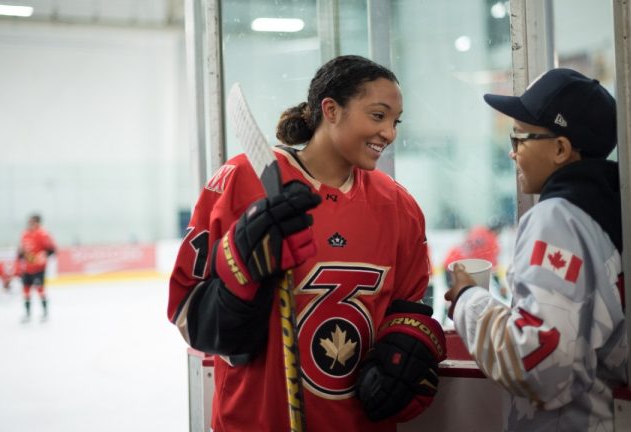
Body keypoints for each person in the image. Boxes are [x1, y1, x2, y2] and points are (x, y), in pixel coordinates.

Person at [168, 55, 446, 432]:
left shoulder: (399, 206)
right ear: (331, 109)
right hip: (256, 420)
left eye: (395, 122)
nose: (390, 134)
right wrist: (240, 272)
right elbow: (188, 312)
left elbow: (410, 304)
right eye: (378, 116)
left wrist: (405, 347)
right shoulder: (241, 180)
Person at [445, 68, 627, 431]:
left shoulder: (557, 219)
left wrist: (467, 299)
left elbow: (538, 365)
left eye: (519, 139)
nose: (512, 154)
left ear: (560, 149)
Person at [17, 213, 56, 322]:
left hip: (39, 269)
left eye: (32, 222)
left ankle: (45, 313)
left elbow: (52, 250)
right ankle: (27, 315)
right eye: (29, 222)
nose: (30, 224)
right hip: (27, 268)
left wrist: (44, 255)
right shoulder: (24, 234)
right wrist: (21, 257)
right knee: (26, 291)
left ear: (38, 223)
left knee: (40, 290)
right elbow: (21, 251)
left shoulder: (43, 234)